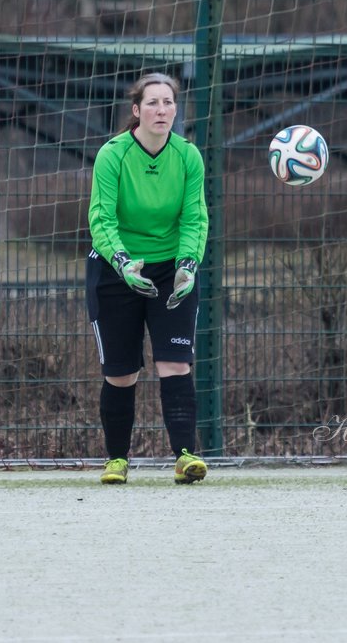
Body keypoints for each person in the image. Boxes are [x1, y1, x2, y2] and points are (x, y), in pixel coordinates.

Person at [86, 71, 210, 485]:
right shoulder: (112, 154)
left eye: (169, 102)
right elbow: (101, 217)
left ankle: (186, 457)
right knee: (121, 374)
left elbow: (195, 218)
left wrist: (188, 266)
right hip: (116, 268)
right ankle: (117, 460)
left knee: (175, 363)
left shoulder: (188, 156)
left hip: (170, 269)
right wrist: (122, 262)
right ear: (136, 110)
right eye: (153, 103)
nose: (162, 110)